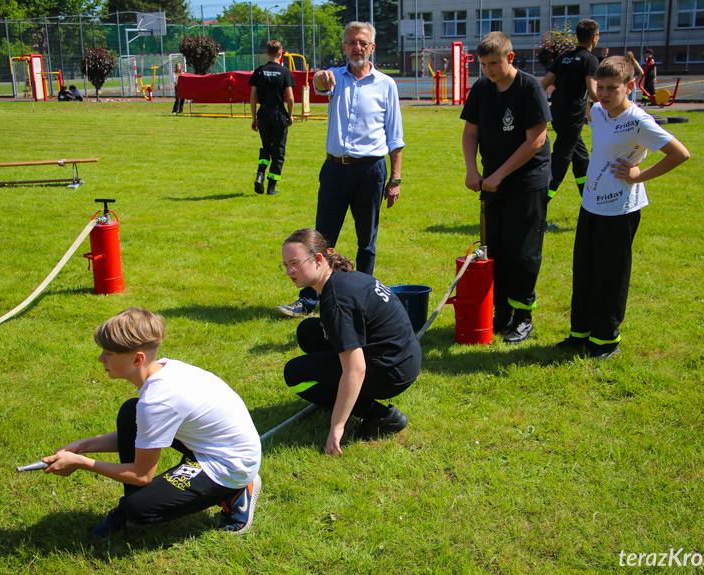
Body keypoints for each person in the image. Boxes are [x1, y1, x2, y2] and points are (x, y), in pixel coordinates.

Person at [42, 308, 262, 539]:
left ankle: (234, 492)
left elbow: (141, 475)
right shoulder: (164, 369)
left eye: (108, 353)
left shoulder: (157, 402)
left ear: (138, 359)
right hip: (215, 445)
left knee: (140, 510)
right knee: (131, 412)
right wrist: (82, 446)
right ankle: (131, 506)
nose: (100, 359)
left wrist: (80, 462)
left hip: (230, 464)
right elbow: (143, 434)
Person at [557, 57, 690, 359]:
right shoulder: (598, 112)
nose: (603, 94)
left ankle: (606, 340)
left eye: (612, 88)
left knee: (610, 275)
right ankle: (580, 334)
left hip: (619, 209)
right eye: (600, 87)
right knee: (585, 270)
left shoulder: (639, 121)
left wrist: (639, 175)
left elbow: (680, 153)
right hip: (591, 204)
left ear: (630, 87)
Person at [277, 21, 404, 318]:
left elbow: (395, 137)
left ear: (372, 47)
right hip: (335, 170)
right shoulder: (335, 77)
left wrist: (395, 178)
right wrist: (320, 77)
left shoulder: (386, 85)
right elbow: (320, 83)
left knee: (366, 242)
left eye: (362, 42)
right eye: (351, 42)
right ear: (344, 47)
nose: (356, 47)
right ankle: (310, 300)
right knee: (321, 240)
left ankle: (364, 298)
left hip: (371, 170)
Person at [281, 229, 421, 456]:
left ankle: (380, 416)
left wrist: (337, 426)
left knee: (294, 375)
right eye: (285, 264)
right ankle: (339, 395)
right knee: (307, 332)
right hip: (403, 354)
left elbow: (355, 369)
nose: (289, 271)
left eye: (295, 263)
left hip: (392, 371)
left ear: (318, 259)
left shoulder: (336, 301)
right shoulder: (343, 277)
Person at [461, 31, 551, 344]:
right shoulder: (482, 88)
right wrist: (473, 169)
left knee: (522, 252)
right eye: (483, 64)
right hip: (491, 181)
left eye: (494, 63)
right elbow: (470, 132)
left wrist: (499, 175)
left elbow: (536, 139)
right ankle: (498, 313)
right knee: (493, 250)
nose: (488, 70)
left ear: (510, 58)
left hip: (527, 181)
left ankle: (523, 316)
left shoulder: (529, 88)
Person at [540, 19, 600, 200]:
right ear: (593, 38)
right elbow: (592, 91)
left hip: (557, 110)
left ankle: (588, 200)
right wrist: (613, 107)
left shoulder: (565, 57)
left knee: (580, 157)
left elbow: (543, 85)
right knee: (561, 159)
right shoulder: (590, 59)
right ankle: (539, 204)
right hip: (573, 113)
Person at [249, 40, 295, 196]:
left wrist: (254, 117)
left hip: (263, 113)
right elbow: (290, 97)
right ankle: (271, 187)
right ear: (281, 52)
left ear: (267, 53)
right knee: (278, 150)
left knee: (266, 148)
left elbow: (253, 97)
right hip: (278, 113)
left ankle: (260, 174)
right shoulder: (285, 72)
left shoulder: (259, 71)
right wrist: (290, 115)